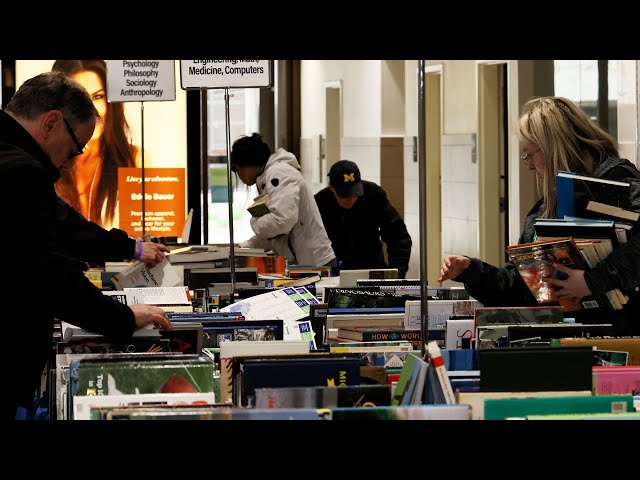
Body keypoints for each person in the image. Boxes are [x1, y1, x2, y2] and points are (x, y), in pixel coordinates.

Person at [0, 71, 173, 421]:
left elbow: (63, 227)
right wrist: (123, 318)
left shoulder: (11, 158)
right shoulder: (18, 171)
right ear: (51, 123)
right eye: (75, 147)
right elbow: (48, 273)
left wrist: (130, 247)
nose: (70, 161)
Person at [438, 96, 640, 335]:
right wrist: (471, 270)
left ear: (553, 148)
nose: (529, 166)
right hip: (568, 339)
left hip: (622, 340)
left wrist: (592, 281)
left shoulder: (619, 185)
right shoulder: (543, 212)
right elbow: (523, 287)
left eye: (529, 154)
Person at [51, 60, 144, 230]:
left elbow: (146, 232)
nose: (91, 110)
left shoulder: (133, 159)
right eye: (79, 99)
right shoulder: (46, 161)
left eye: (98, 96)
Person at [230, 133, 336, 267]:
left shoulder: (279, 174)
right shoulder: (268, 178)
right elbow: (273, 236)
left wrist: (255, 222)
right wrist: (244, 247)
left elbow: (282, 221)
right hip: (304, 262)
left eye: (236, 168)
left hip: (316, 264)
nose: (238, 175)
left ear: (247, 163)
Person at [314, 160, 412, 278]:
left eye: (353, 193)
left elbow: (398, 237)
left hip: (373, 271)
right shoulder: (320, 203)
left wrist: (396, 275)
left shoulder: (374, 194)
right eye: (344, 194)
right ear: (331, 187)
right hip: (335, 275)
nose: (349, 199)